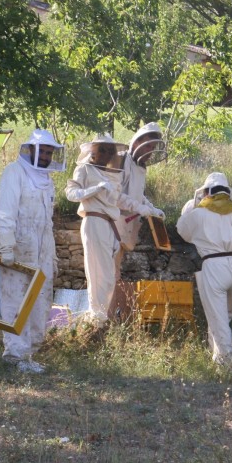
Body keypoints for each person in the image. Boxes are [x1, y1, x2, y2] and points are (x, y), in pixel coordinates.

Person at [0, 129, 66, 374]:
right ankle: (14, 355)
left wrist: (53, 254)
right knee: (16, 299)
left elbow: (48, 223)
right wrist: (6, 245)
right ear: (31, 150)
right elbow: (5, 212)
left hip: (43, 247)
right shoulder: (14, 173)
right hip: (19, 245)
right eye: (42, 150)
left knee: (41, 301)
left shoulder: (47, 180)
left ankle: (29, 353)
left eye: (49, 151)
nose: (46, 155)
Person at [65, 134, 150, 325]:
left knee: (110, 276)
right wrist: (94, 189)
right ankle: (95, 320)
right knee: (98, 273)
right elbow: (71, 193)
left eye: (110, 151)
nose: (106, 154)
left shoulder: (113, 174)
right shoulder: (84, 169)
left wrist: (145, 208)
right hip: (93, 221)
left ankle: (100, 320)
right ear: (93, 151)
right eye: (102, 149)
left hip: (110, 225)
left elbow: (120, 199)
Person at [176, 173, 232, 366]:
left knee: (218, 318)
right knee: (226, 316)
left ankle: (225, 365)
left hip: (214, 265)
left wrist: (188, 209)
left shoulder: (199, 213)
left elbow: (183, 230)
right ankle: (216, 357)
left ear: (207, 191)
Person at [110, 122, 167, 320]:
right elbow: (113, 196)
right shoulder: (119, 159)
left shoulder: (139, 166)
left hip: (125, 226)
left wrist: (151, 208)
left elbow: (138, 195)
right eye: (149, 146)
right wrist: (139, 207)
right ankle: (104, 320)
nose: (151, 151)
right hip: (110, 225)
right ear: (138, 141)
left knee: (115, 273)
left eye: (153, 147)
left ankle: (111, 319)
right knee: (109, 274)